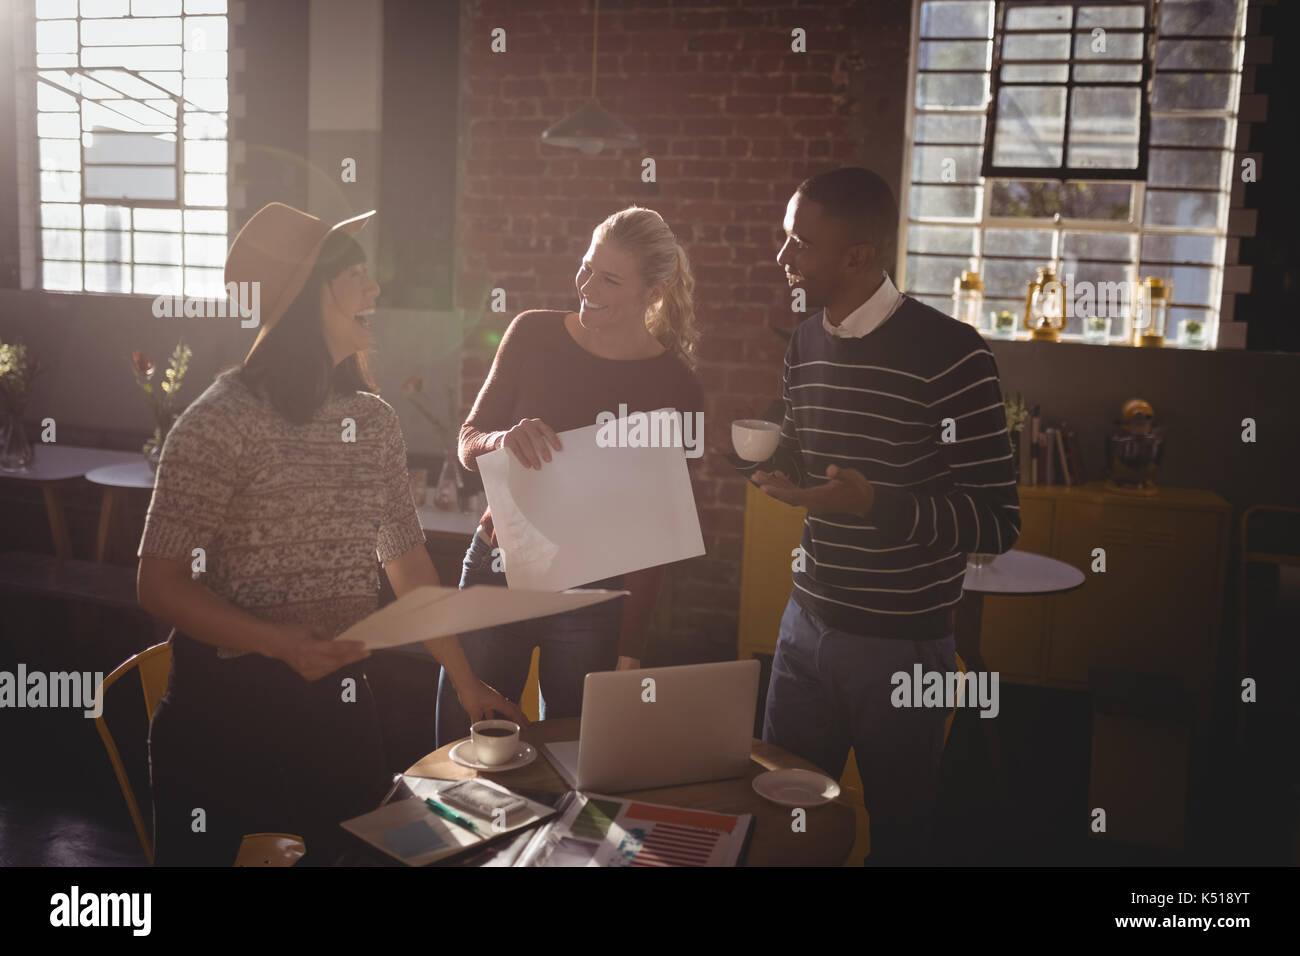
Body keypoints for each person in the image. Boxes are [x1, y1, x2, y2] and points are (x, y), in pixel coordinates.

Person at [137, 202, 524, 866]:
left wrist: (465, 681)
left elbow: (406, 560)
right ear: (302, 299)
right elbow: (158, 584)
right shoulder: (215, 422)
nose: (375, 291)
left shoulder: (372, 422)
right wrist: (278, 642)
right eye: (355, 278)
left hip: (339, 708)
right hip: (219, 720)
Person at [743, 168, 1021, 865]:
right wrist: (774, 466)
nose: (784, 258)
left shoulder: (954, 355)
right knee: (787, 822)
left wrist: (877, 504)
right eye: (786, 239)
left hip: (903, 648)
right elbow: (811, 461)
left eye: (799, 244)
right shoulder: (804, 343)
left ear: (857, 256)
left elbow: (997, 522)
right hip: (805, 629)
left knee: (900, 838)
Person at [435, 206, 704, 747]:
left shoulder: (676, 386)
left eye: (609, 279)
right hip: (498, 570)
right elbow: (468, 441)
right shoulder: (532, 333)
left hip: (593, 596)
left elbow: (655, 532)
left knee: (573, 759)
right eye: (586, 267)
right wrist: (501, 439)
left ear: (655, 290)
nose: (587, 286)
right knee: (462, 750)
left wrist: (630, 650)